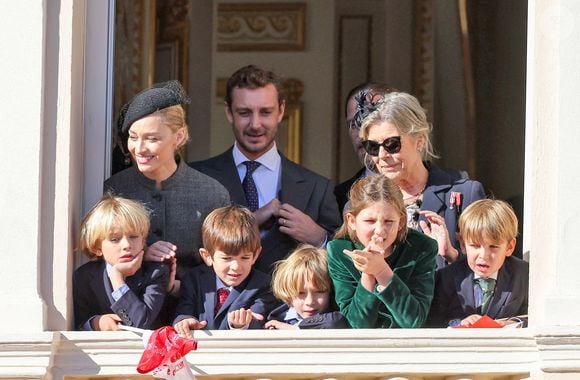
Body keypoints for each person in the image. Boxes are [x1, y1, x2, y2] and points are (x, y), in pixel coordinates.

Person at [191, 65, 341, 273]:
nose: (255, 124)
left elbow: (347, 265)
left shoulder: (318, 187)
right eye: (244, 113)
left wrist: (319, 238)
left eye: (265, 112)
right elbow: (186, 254)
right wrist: (250, 221)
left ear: (281, 111)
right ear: (229, 112)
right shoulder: (196, 178)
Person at [104, 80, 231, 314]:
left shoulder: (212, 193)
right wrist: (140, 255)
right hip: (125, 320)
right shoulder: (114, 190)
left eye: (152, 139)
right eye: (133, 137)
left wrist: (176, 286)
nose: (139, 149)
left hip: (195, 320)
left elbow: (225, 272)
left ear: (179, 136)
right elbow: (96, 261)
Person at [358, 91, 486, 269]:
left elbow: (490, 272)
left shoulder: (465, 195)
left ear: (419, 141)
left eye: (392, 144)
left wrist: (452, 256)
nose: (382, 155)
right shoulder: (362, 202)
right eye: (372, 147)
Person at [327, 175, 438, 328]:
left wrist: (382, 271)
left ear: (401, 222)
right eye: (370, 221)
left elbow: (413, 321)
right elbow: (358, 324)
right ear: (352, 221)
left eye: (389, 222)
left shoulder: (422, 248)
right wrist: (368, 273)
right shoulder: (340, 251)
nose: (379, 231)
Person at [173, 205, 279, 336]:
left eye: (245, 257)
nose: (236, 266)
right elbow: (184, 310)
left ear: (255, 255)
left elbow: (259, 320)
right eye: (226, 258)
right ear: (207, 256)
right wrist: (185, 321)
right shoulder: (194, 279)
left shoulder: (264, 285)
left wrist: (242, 325)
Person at [426, 199, 528, 328]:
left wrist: (515, 322)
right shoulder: (446, 277)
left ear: (509, 247)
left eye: (493, 247)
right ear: (463, 244)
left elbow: (538, 316)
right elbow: (433, 320)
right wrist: (460, 323)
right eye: (475, 245)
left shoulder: (523, 274)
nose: (483, 255)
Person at [73, 194, 169, 331]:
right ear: (97, 248)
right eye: (115, 239)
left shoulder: (156, 273)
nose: (126, 245)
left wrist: (117, 278)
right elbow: (76, 323)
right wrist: (96, 322)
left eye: (133, 237)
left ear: (143, 241)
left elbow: (141, 322)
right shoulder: (84, 276)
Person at [334, 83, 392, 213]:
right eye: (353, 124)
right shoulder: (338, 197)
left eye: (368, 121)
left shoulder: (446, 189)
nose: (361, 133)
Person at [265, 244, 350, 329]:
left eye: (319, 292)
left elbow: (335, 321)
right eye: (300, 293)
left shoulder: (339, 317)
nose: (310, 302)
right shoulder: (274, 318)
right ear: (287, 292)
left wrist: (295, 329)